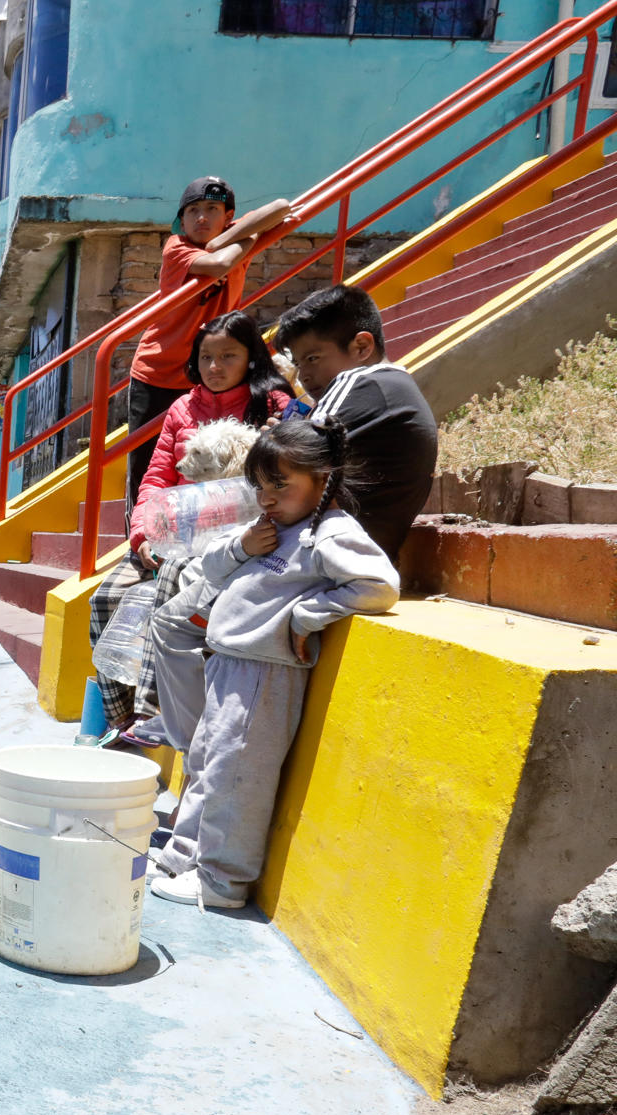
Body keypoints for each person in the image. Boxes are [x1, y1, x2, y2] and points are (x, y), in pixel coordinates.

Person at [148, 418, 400, 909]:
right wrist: (243, 546)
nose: (267, 497)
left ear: (322, 479)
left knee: (236, 775)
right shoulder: (273, 526)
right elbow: (210, 567)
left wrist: (307, 616)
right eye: (259, 486)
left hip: (264, 672)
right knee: (203, 762)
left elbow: (378, 585)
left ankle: (222, 881)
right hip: (230, 661)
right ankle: (184, 854)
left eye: (280, 485)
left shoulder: (327, 533)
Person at [89, 311, 294, 742]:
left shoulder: (273, 403)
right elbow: (157, 476)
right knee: (105, 598)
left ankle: (150, 713)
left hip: (236, 537)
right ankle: (119, 718)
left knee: (168, 582)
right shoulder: (182, 408)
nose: (215, 367)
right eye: (206, 357)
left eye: (228, 356)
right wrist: (142, 534)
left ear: (251, 358)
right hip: (173, 531)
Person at [123, 178, 291, 506]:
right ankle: (139, 540)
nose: (202, 217)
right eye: (193, 210)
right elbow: (219, 265)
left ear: (228, 215)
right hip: (157, 372)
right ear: (181, 220)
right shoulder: (177, 246)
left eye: (212, 209)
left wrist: (229, 238)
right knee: (149, 465)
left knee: (211, 459)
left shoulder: (234, 235)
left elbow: (281, 207)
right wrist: (238, 242)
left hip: (210, 371)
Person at [274, 284, 439, 564]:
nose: (305, 376)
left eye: (313, 358)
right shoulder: (393, 388)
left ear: (361, 347)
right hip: (356, 559)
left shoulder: (358, 382)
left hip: (316, 559)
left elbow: (277, 470)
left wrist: (270, 443)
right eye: (299, 364)